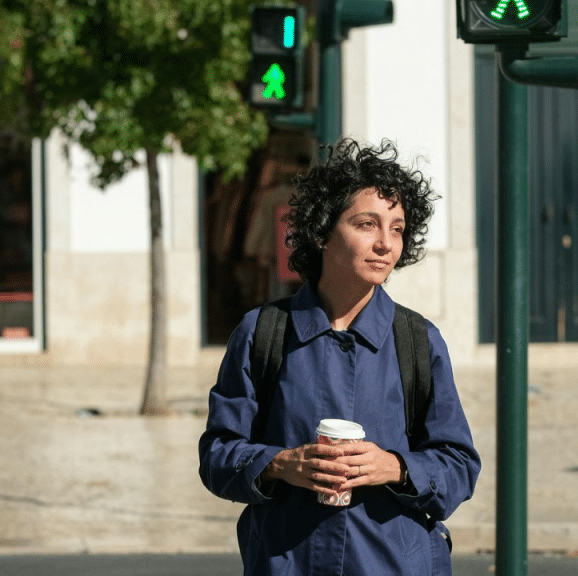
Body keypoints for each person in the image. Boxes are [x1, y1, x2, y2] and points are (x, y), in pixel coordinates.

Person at [198, 139, 481, 576]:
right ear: (322, 231)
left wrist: (395, 466)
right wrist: (279, 465)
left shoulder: (418, 340)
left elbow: (460, 466)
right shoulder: (262, 333)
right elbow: (218, 455)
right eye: (367, 224)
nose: (386, 244)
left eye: (398, 228)